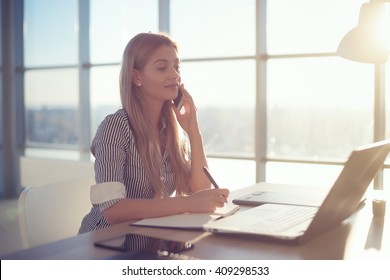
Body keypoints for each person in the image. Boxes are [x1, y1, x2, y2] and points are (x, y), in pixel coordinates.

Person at [79, 32, 229, 235]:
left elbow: (201, 193)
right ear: (136, 77)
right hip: (108, 243)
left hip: (152, 239)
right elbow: (112, 210)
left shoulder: (172, 130)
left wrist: (193, 131)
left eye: (177, 66)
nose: (174, 74)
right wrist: (185, 203)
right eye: (162, 67)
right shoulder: (115, 127)